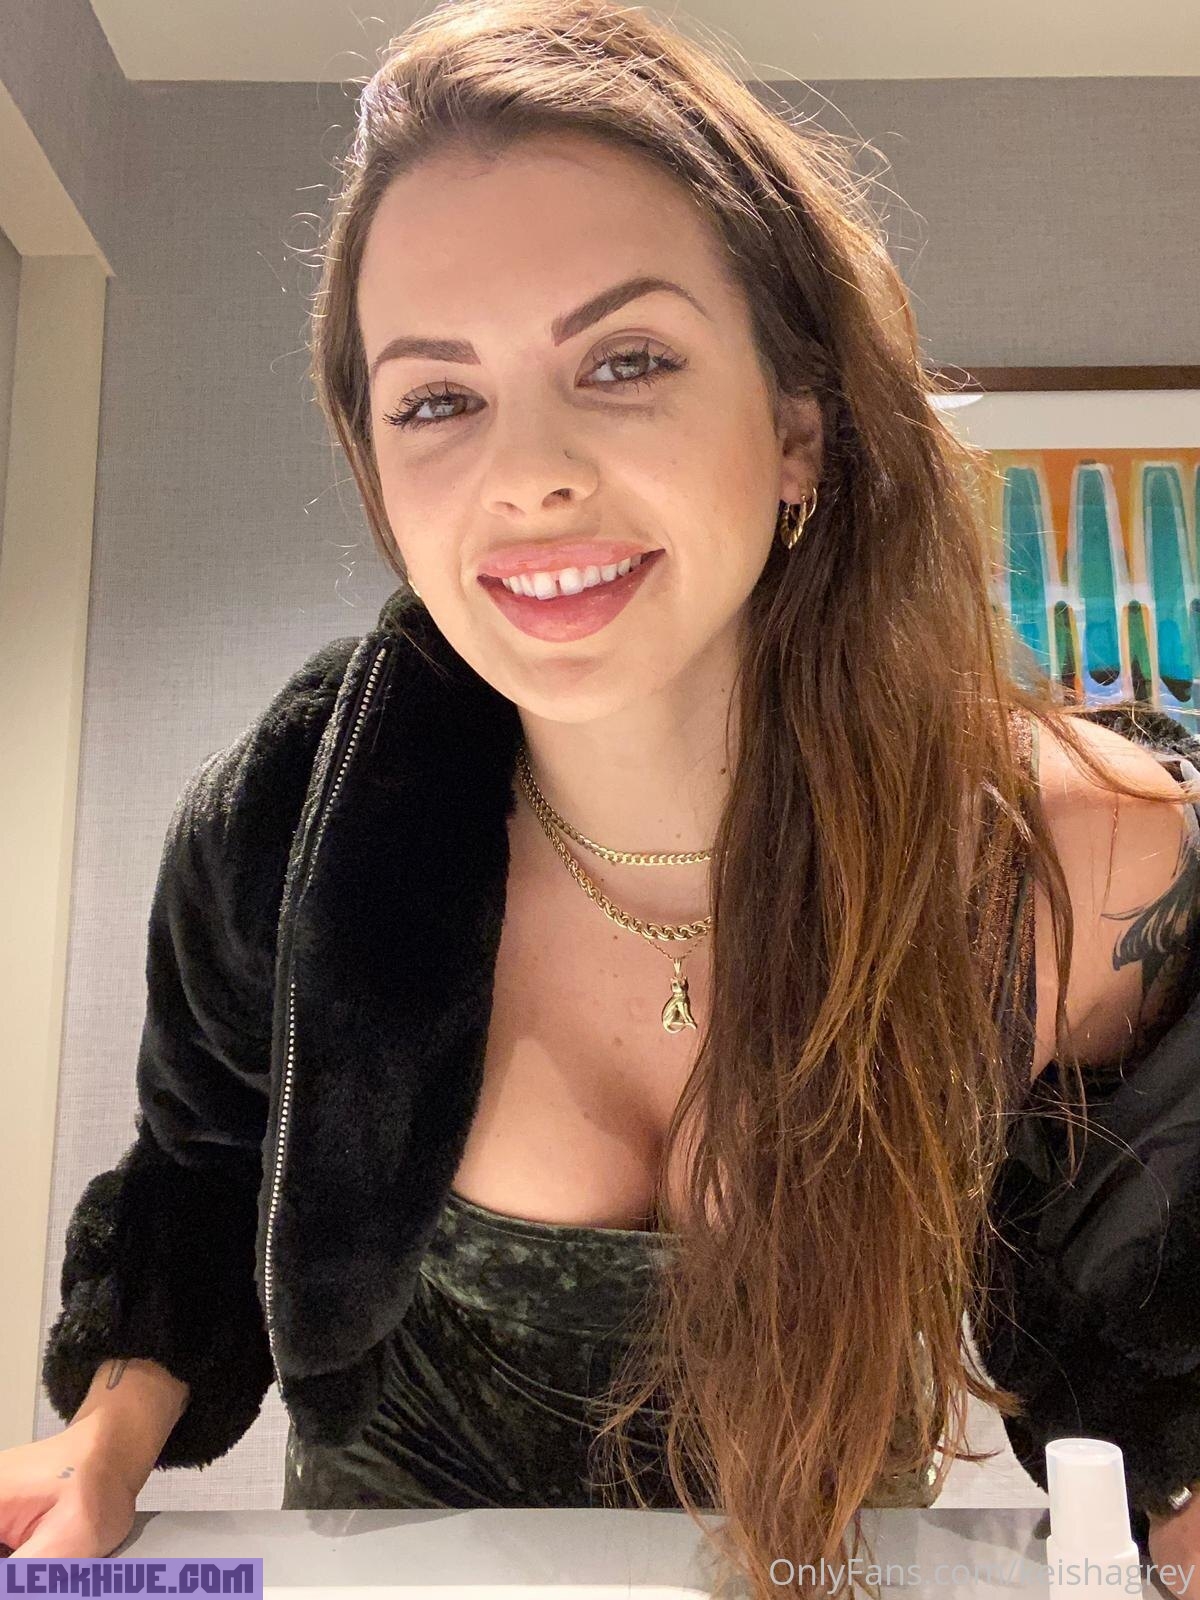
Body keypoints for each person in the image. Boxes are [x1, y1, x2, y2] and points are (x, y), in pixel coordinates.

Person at [5, 1, 1200, 1594]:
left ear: (798, 428)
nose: (528, 474)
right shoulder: (288, 825)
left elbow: (1147, 1308)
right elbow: (207, 1172)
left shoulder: (1074, 854)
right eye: (437, 399)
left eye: (624, 361)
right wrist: (103, 1441)